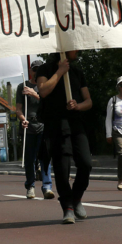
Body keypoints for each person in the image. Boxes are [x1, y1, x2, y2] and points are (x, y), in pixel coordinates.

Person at [36, 51, 93, 225]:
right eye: (73, 47)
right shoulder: (45, 69)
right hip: (56, 125)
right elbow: (43, 91)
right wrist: (59, 72)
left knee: (86, 163)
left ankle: (76, 198)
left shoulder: (77, 72)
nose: (77, 50)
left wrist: (78, 106)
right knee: (62, 167)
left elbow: (89, 101)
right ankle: (67, 206)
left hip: (76, 124)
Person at [18, 59, 54, 199]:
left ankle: (47, 187)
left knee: (45, 158)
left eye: (39, 69)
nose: (37, 72)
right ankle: (30, 186)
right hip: (29, 127)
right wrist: (23, 119)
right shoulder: (23, 86)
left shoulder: (45, 87)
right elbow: (19, 110)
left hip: (44, 126)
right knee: (29, 159)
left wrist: (34, 94)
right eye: (34, 69)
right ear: (30, 71)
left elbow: (49, 105)